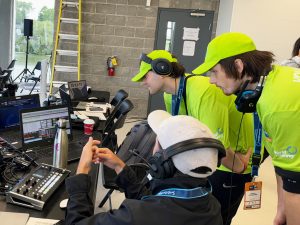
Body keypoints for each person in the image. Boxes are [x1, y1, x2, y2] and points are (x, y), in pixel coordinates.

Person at [131, 50, 256, 224]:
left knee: (218, 216)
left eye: (145, 76)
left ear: (162, 69)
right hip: (210, 155)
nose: (143, 82)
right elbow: (177, 133)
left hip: (234, 158)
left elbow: (217, 145)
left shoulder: (203, 91)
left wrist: (241, 168)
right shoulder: (170, 95)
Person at [192, 32, 300, 225]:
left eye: (214, 72)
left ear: (238, 66)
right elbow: (284, 166)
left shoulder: (276, 106)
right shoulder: (273, 79)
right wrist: (282, 209)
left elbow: (296, 185)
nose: (211, 80)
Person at [65, 110, 224, 225]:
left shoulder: (135, 217)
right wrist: (120, 166)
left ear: (163, 163)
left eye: (157, 141)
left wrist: (82, 172)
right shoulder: (212, 206)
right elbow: (152, 201)